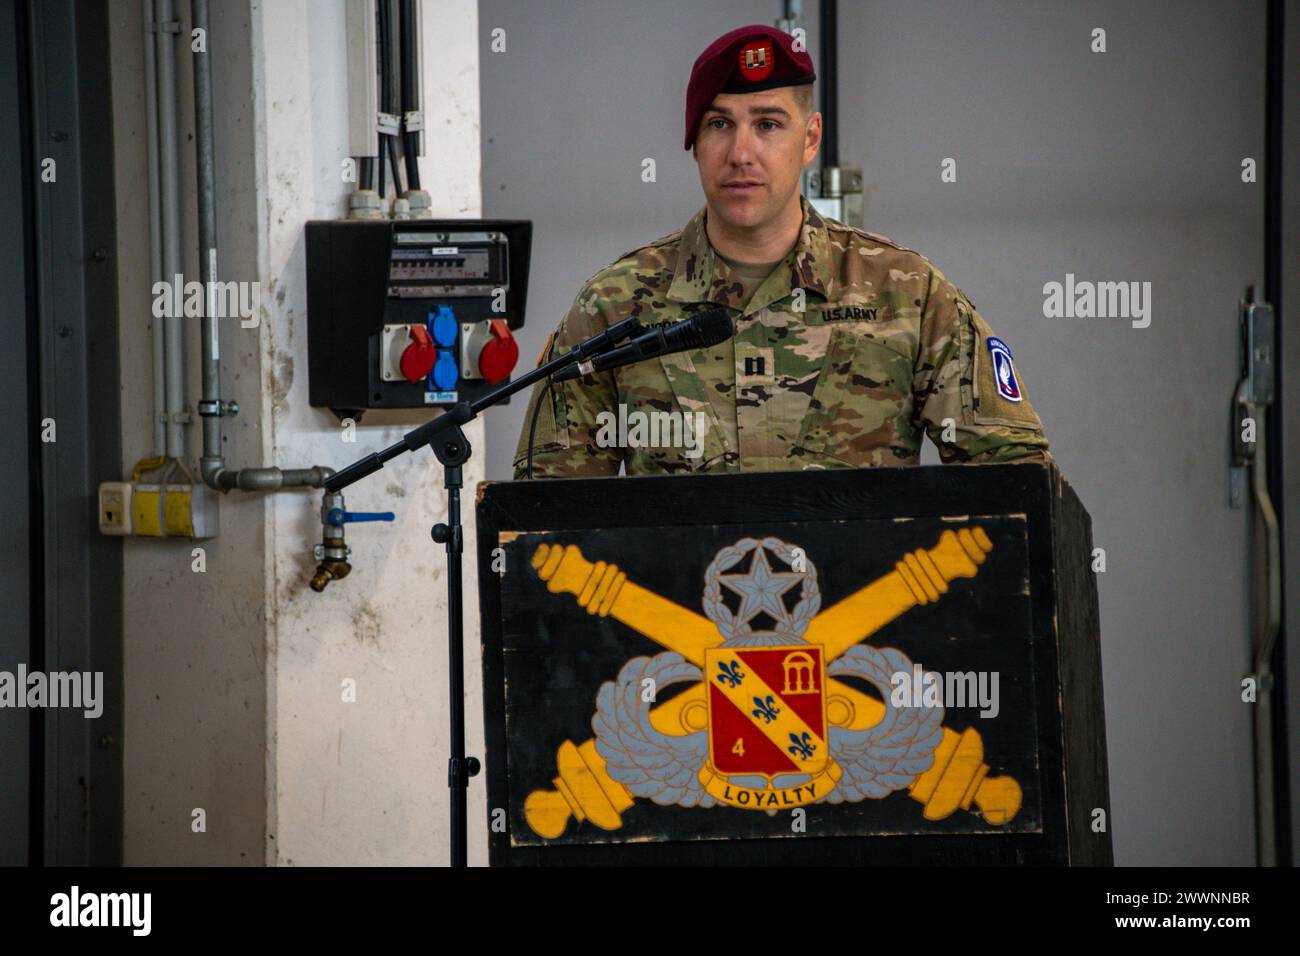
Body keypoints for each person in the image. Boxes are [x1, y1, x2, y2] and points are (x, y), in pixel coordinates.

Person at [514, 24, 1049, 479]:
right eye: (719, 124)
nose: (742, 153)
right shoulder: (615, 306)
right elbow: (545, 510)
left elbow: (1013, 476)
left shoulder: (907, 293)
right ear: (693, 143)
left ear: (811, 138)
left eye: (768, 124)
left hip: (868, 599)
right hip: (670, 601)